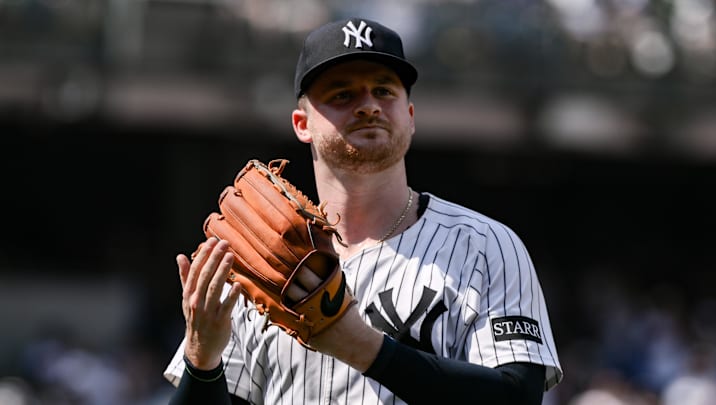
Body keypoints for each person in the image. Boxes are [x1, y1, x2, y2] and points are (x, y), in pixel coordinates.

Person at [164, 17, 563, 405]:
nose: (368, 105)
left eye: (384, 91)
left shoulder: (485, 246)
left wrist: (360, 345)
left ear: (410, 116)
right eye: (343, 94)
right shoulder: (258, 263)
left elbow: (517, 395)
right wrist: (202, 359)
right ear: (302, 124)